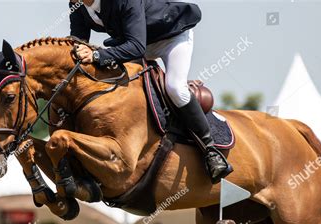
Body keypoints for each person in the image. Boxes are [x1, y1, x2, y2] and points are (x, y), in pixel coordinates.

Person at [69, 0, 233, 184]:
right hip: (135, 43)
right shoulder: (77, 5)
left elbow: (136, 47)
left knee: (175, 88)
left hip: (171, 37)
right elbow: (77, 41)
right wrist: (79, 50)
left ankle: (211, 151)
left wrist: (98, 55)